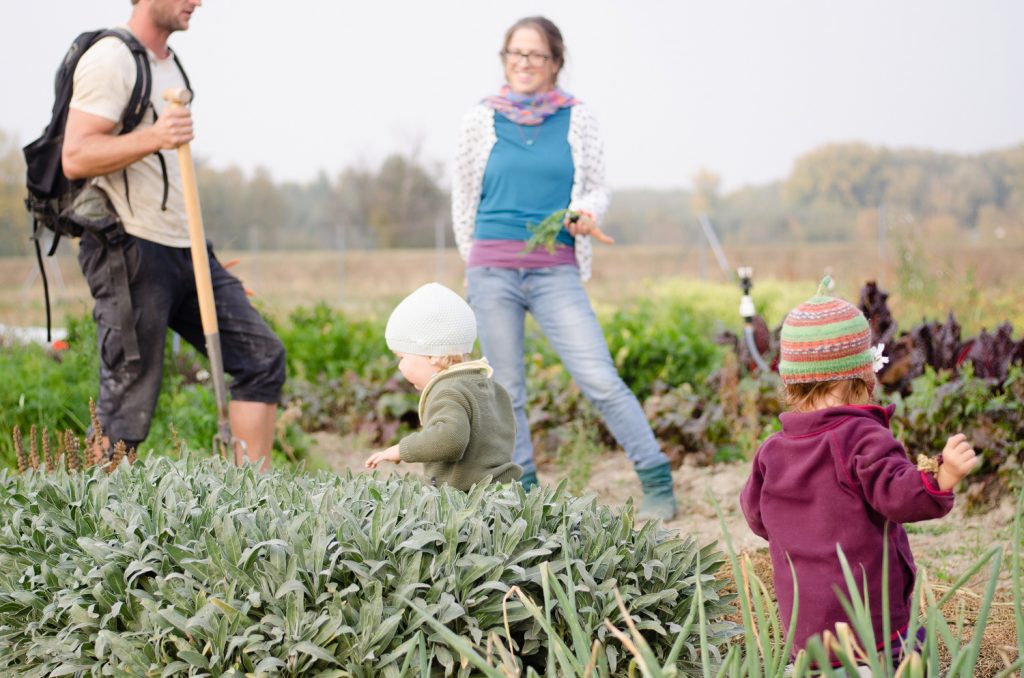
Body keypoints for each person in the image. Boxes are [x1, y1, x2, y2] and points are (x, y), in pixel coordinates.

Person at [451, 16, 678, 520]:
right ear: (504, 58)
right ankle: (524, 495)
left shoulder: (577, 118)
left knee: (599, 377)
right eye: (515, 53)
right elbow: (464, 198)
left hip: (554, 269)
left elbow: (596, 186)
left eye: (535, 55)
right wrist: (475, 263)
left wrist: (586, 212)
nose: (524, 64)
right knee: (506, 389)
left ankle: (656, 478)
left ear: (556, 62)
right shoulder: (479, 119)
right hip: (491, 271)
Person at [61, 0, 285, 470]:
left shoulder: (170, 65)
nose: (198, 2)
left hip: (186, 247)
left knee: (260, 357)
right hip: (130, 246)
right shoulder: (111, 58)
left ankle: (257, 497)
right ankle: (87, 518)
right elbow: (76, 156)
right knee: (128, 396)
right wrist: (157, 136)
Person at [740, 277, 977, 668]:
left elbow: (756, 515)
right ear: (864, 376)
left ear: (791, 384)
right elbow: (899, 495)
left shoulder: (772, 450)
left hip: (807, 637)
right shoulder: (861, 435)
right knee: (916, 654)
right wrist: (941, 476)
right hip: (874, 630)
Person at [364, 283, 522, 491]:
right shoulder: (491, 387)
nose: (400, 366)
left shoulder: (449, 391)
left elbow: (450, 439)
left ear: (432, 355)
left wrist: (401, 450)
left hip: (467, 499)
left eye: (402, 357)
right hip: (502, 491)